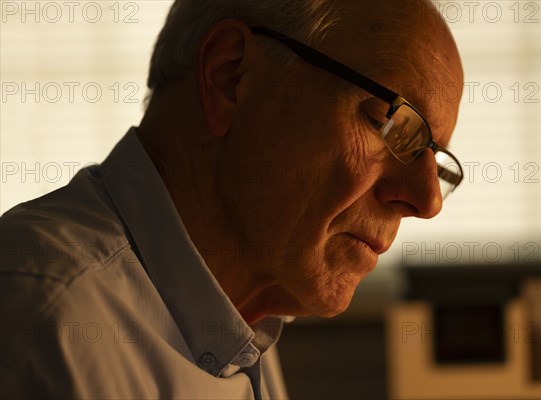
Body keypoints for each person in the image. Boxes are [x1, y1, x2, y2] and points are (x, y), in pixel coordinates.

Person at [0, 0, 464, 398]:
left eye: (436, 161)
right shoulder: (48, 322)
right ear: (230, 76)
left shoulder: (245, 317)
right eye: (392, 124)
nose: (428, 201)